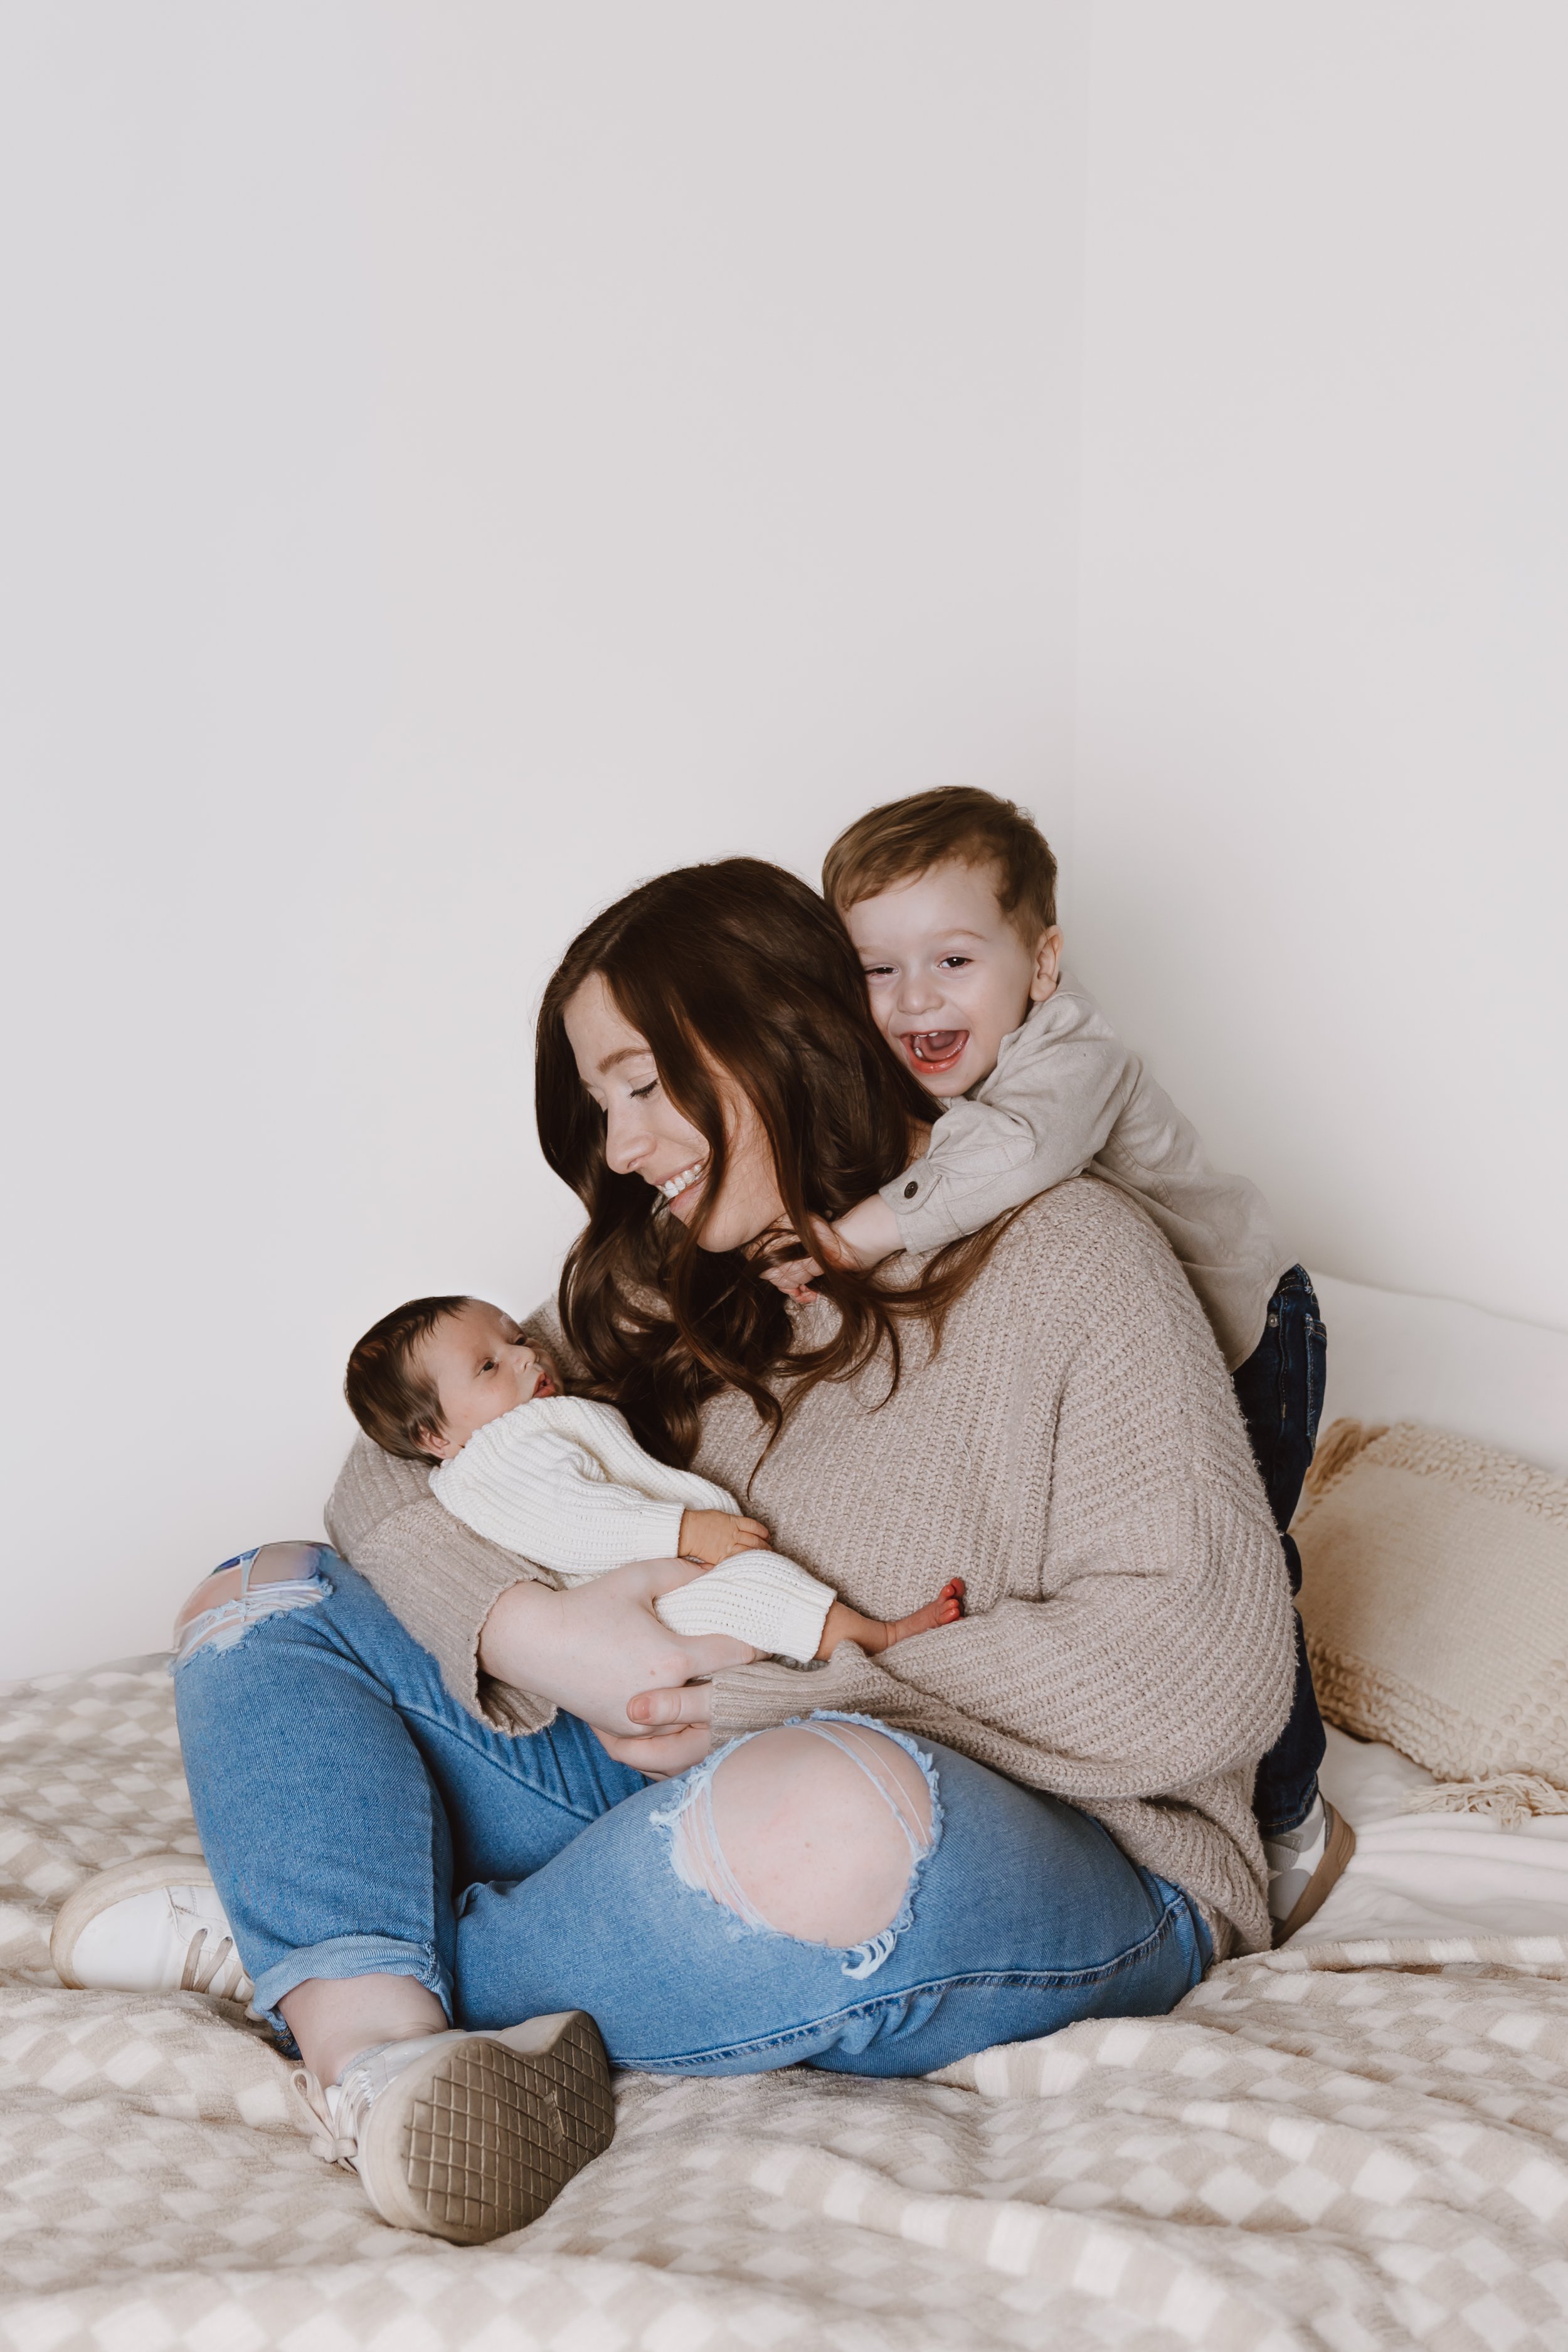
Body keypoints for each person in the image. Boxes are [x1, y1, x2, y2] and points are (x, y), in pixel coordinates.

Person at [55, 857, 1295, 2250]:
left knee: (822, 1811)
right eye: (602, 1106)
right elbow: (398, 1460)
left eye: (644, 1085)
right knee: (261, 1594)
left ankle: (330, 1957)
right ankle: (379, 2052)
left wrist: (760, 1696)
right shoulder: (669, 1267)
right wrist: (532, 1631)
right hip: (651, 1771)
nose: (629, 1143)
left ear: (776, 1030)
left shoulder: (1075, 1258)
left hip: (1051, 1845)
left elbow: (1202, 1680)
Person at [761, 788, 1345, 1941]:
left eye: (954, 960)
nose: (915, 998)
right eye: (877, 972)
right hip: (1127, 1354)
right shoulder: (906, 1083)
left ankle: (1291, 1815)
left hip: (1248, 1325)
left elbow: (1005, 1159)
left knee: (1232, 1561)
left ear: (1042, 964)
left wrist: (845, 1241)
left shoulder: (1075, 1060)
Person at [340, 1291, 964, 1662]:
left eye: (518, 1338)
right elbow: (576, 1523)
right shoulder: (499, 1452)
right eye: (487, 1366)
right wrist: (684, 1530)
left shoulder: (514, 1431)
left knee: (764, 1595)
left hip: (661, 1586)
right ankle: (879, 1637)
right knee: (760, 1591)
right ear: (434, 1437)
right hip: (658, 1599)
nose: (528, 1355)